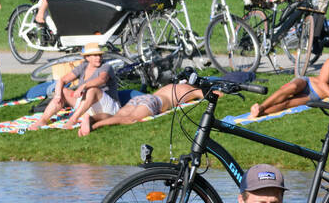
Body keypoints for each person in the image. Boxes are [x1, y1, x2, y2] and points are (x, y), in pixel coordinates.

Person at [249, 42, 329, 119]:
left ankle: (260, 113)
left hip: (315, 96)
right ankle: (262, 107)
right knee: (292, 88)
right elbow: (322, 83)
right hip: (308, 83)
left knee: (287, 104)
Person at [29, 42, 120, 131]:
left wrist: (84, 86)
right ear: (87, 57)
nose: (98, 58)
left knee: (92, 90)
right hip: (86, 105)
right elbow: (62, 80)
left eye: (100, 55)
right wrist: (58, 95)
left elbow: (102, 79)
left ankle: (73, 119)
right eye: (95, 55)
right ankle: (43, 120)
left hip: (108, 107)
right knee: (63, 91)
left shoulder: (106, 67)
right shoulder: (83, 66)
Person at [76, 80, 205, 134]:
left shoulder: (171, 85)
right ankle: (95, 126)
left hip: (140, 98)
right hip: (154, 101)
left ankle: (92, 118)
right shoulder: (190, 90)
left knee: (117, 116)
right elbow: (209, 94)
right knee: (131, 118)